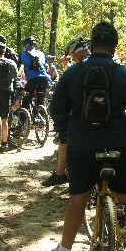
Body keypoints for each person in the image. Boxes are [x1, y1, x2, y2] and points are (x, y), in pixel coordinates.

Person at [47, 21, 126, 251]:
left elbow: (56, 107)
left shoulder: (73, 72)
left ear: (91, 45)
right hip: (118, 142)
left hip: (81, 143)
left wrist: (65, 131)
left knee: (78, 197)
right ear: (115, 47)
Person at [44, 37, 91, 187]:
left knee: (64, 140)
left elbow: (59, 101)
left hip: (79, 117)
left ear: (79, 51)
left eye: (73, 53)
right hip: (110, 118)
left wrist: (59, 121)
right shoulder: (111, 64)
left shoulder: (75, 70)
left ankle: (60, 174)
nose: (72, 57)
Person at [19, 36, 51, 110]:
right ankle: (41, 117)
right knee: (40, 101)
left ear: (26, 45)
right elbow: (44, 64)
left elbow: (23, 65)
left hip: (33, 80)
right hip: (44, 79)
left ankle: (23, 120)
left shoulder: (24, 54)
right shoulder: (41, 53)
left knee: (26, 100)